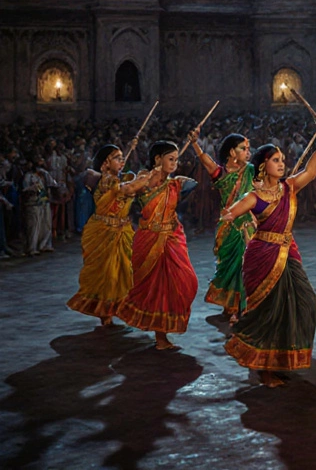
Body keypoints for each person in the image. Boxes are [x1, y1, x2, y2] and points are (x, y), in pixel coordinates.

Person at [219, 129, 316, 387]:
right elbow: (232, 213)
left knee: (305, 304)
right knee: (269, 313)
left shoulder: (289, 187)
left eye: (282, 160)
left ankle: (281, 359)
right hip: (262, 256)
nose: (282, 164)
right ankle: (265, 369)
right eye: (276, 160)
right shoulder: (254, 197)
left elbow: (311, 173)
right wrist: (229, 215)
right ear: (263, 166)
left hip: (287, 253)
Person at [117, 141, 200, 350]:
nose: (175, 163)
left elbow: (193, 184)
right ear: (157, 159)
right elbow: (126, 190)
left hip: (172, 238)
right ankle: (161, 338)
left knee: (186, 281)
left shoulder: (174, 184)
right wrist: (144, 178)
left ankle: (163, 333)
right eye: (170, 159)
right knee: (156, 289)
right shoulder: (144, 180)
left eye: (176, 159)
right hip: (150, 238)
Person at [66, 143, 153, 325]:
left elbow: (133, 187)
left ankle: (120, 308)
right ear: (105, 163)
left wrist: (144, 177)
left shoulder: (121, 178)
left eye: (122, 157)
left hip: (123, 230)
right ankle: (105, 314)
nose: (122, 161)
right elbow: (127, 189)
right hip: (104, 231)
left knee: (125, 272)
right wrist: (147, 177)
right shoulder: (106, 180)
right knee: (108, 274)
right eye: (117, 158)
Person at [191, 132, 255, 319]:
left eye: (248, 149)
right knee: (230, 266)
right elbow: (206, 161)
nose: (247, 152)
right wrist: (195, 143)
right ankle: (231, 304)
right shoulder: (221, 173)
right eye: (243, 149)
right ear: (231, 152)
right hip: (228, 227)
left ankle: (246, 303)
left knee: (247, 264)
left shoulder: (251, 171)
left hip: (248, 225)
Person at [21, 159, 55, 255]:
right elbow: (24, 189)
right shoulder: (28, 176)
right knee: (34, 226)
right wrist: (32, 189)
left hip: (44, 201)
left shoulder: (44, 174)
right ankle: (32, 247)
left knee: (46, 224)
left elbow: (52, 183)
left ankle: (44, 245)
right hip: (33, 202)